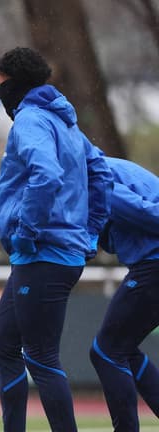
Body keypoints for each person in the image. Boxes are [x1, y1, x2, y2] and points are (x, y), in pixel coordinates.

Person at [0, 47, 113, 432]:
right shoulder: (66, 123)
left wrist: (27, 231)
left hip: (42, 253)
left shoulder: (30, 121)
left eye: (1, 85)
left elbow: (47, 175)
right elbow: (101, 173)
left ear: (15, 86)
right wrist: (89, 233)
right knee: (2, 346)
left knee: (40, 357)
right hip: (52, 254)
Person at [89, 157, 159, 431]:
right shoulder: (97, 166)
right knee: (121, 348)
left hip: (153, 263)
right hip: (151, 262)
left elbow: (143, 212)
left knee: (105, 351)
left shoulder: (93, 176)